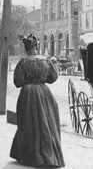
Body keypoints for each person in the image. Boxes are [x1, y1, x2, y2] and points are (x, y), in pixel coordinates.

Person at [10, 34, 65, 168]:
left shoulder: (23, 62)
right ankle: (48, 155)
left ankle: (30, 155)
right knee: (47, 121)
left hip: (27, 93)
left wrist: (29, 81)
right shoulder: (45, 60)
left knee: (27, 122)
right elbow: (52, 79)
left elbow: (17, 82)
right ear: (37, 46)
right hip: (43, 92)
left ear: (26, 48)